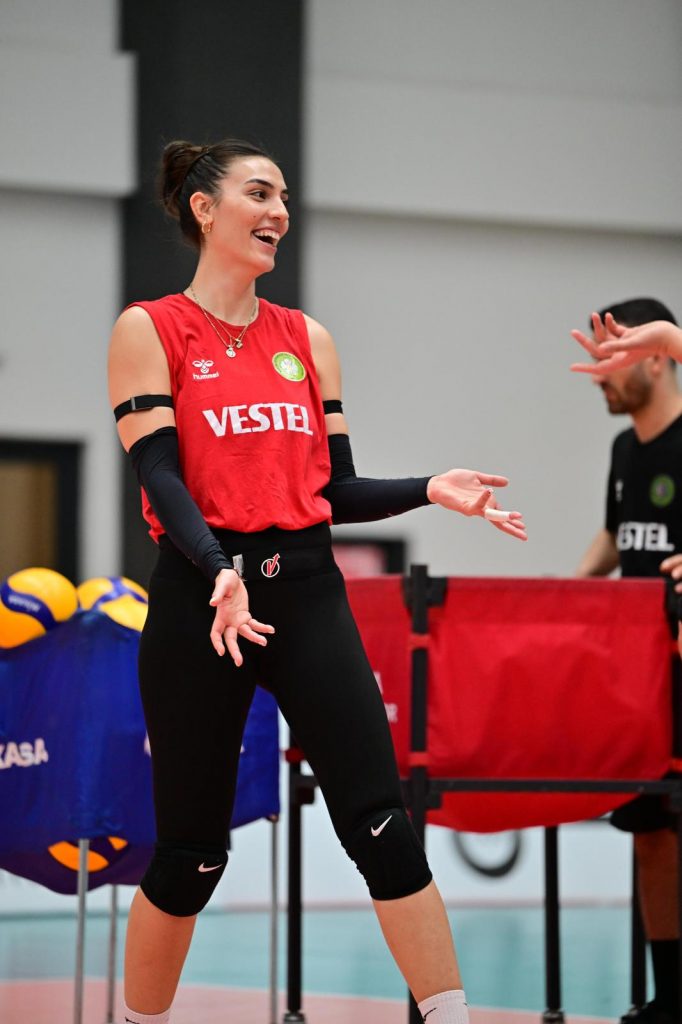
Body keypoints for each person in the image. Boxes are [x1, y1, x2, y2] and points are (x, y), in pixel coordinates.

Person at [108, 137, 527, 1024]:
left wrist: (429, 487)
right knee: (190, 858)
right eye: (260, 194)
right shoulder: (150, 329)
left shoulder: (307, 340)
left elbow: (333, 488)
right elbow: (160, 475)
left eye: (285, 198)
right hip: (200, 597)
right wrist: (217, 569)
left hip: (305, 590)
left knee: (382, 825)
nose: (280, 214)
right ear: (204, 209)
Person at [573, 297, 682, 1024]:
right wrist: (572, 589)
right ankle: (669, 996)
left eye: (612, 356)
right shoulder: (624, 451)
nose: (598, 374)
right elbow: (619, 535)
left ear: (657, 357)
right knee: (649, 829)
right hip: (640, 676)